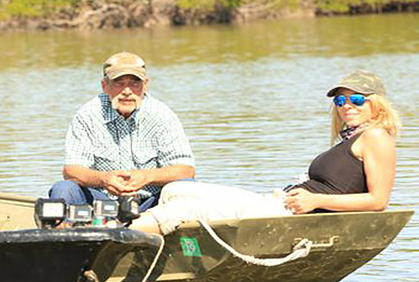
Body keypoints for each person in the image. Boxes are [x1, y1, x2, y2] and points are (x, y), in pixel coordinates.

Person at [132, 71, 400, 235]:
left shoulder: (376, 136)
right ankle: (137, 233)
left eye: (356, 99)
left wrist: (314, 200)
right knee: (176, 189)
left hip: (289, 215)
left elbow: (378, 201)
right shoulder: (351, 139)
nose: (346, 106)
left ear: (377, 104)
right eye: (340, 101)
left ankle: (113, 235)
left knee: (187, 206)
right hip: (279, 202)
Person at [48, 51, 195, 212]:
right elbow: (71, 171)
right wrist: (104, 179)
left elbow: (186, 170)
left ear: (145, 85)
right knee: (64, 188)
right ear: (105, 86)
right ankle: (66, 231)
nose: (127, 91)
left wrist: (147, 176)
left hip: (150, 204)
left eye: (134, 83)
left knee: (187, 189)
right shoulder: (87, 115)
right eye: (119, 83)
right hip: (100, 203)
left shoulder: (163, 116)